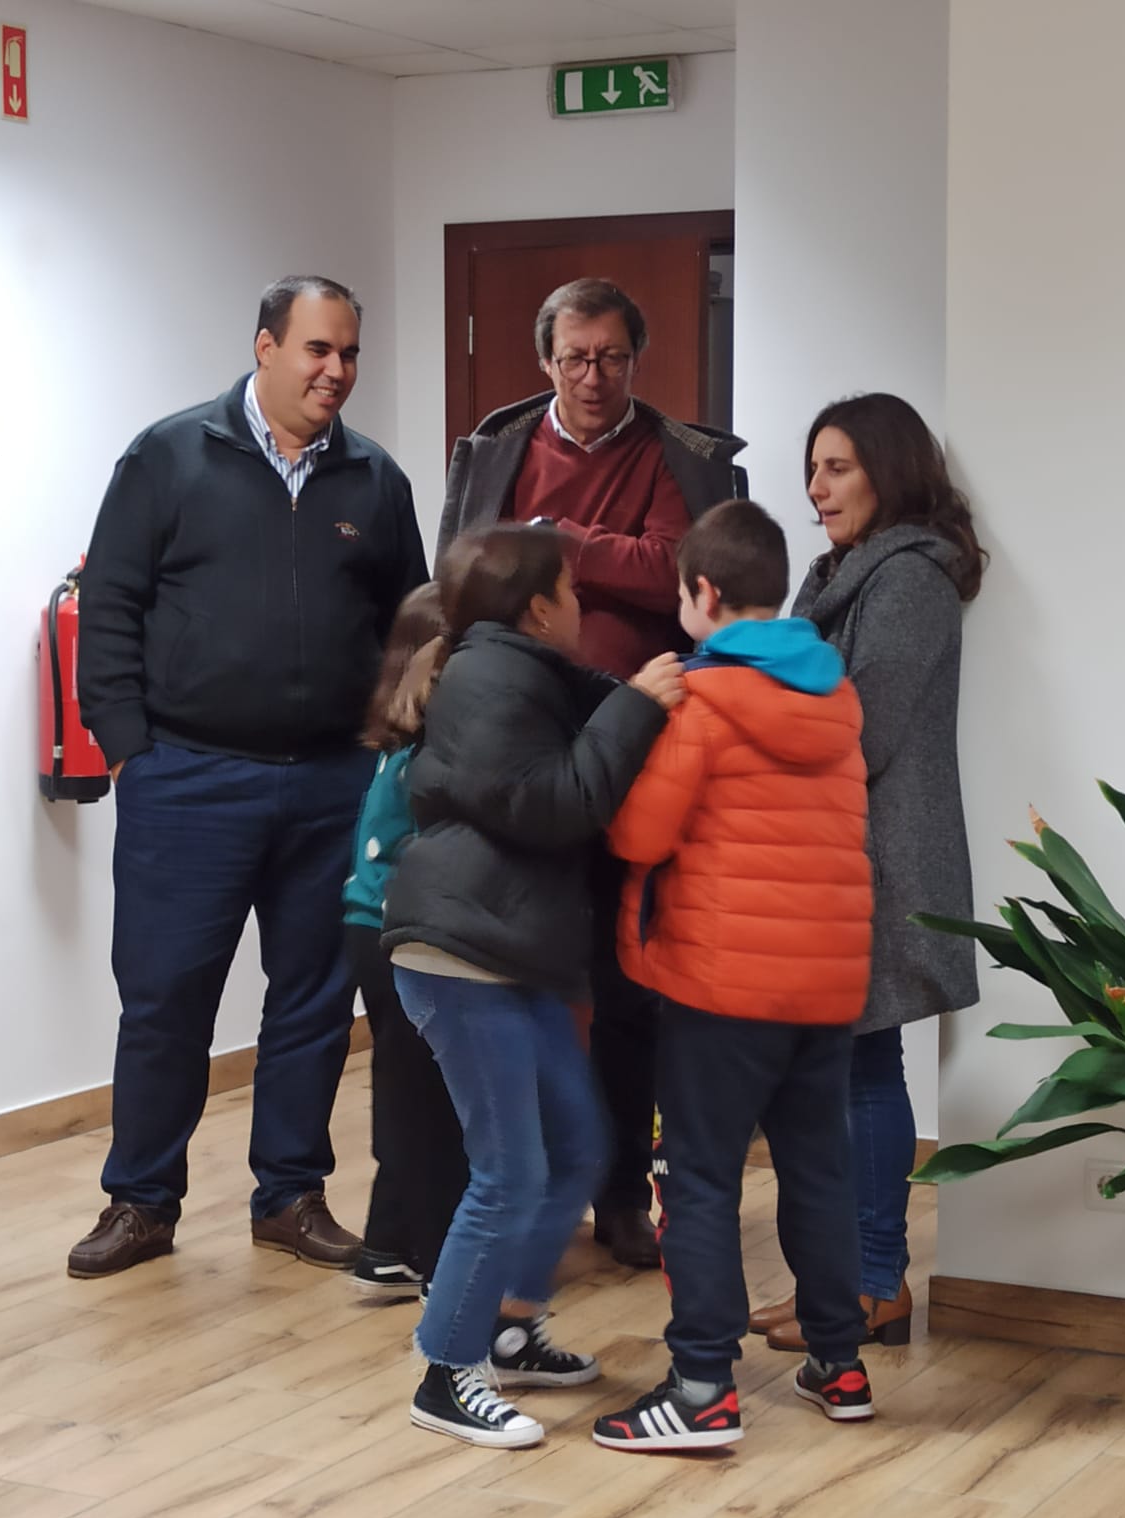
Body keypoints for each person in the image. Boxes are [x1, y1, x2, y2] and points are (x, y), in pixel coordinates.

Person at [68, 275, 428, 1280]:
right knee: (165, 999)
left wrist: (387, 754)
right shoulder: (168, 455)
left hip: (331, 784)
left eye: (349, 353)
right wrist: (129, 747)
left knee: (313, 999)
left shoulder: (374, 478)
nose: (336, 371)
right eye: (318, 349)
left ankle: (290, 1197)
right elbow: (110, 605)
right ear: (265, 347)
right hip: (188, 779)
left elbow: (412, 627)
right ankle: (141, 1200)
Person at [435, 277, 747, 1269]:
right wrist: (608, 555)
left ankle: (618, 1193)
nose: (593, 376)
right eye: (574, 357)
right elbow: (464, 576)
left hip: (638, 751)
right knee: (507, 969)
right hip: (516, 740)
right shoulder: (497, 452)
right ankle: (508, 1191)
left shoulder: (675, 456)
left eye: (612, 357)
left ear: (635, 359)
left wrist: (558, 543)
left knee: (625, 985)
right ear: (545, 360)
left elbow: (676, 570)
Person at [382, 523, 684, 1447]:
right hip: (462, 957)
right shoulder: (490, 679)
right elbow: (558, 804)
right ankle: (446, 1371)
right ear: (542, 608)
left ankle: (508, 1326)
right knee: (510, 1173)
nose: (584, 607)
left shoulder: (523, 672)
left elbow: (589, 723)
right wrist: (637, 708)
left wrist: (650, 695)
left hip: (511, 953)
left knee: (579, 1146)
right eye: (575, 592)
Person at [591, 500, 877, 1449]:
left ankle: (702, 1386)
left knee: (699, 1177)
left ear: (704, 593)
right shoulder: (836, 698)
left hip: (722, 987)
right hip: (826, 983)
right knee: (817, 1172)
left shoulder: (701, 702)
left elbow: (640, 835)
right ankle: (839, 1365)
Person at [755, 393, 985, 1353]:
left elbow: (862, 725)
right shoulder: (839, 574)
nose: (816, 488)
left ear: (888, 472)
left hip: (884, 857)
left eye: (837, 468)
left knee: (863, 1068)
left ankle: (876, 1284)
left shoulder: (911, 579)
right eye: (812, 469)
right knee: (841, 1070)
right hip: (835, 852)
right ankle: (840, 1283)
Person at [341, 582, 469, 1299]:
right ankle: (439, 1255)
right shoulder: (427, 758)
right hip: (403, 939)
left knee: (405, 1089)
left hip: (370, 929)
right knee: (431, 1104)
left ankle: (388, 1245)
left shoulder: (397, 748)